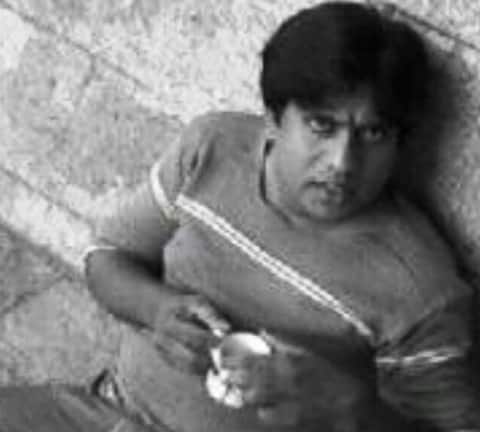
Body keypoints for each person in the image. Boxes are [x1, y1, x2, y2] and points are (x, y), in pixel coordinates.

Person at [0, 2, 479, 432]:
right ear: (273, 117)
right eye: (321, 125)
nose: (342, 162)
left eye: (373, 134)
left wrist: (349, 406)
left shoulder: (418, 289)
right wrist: (156, 310)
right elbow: (106, 257)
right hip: (106, 413)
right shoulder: (212, 149)